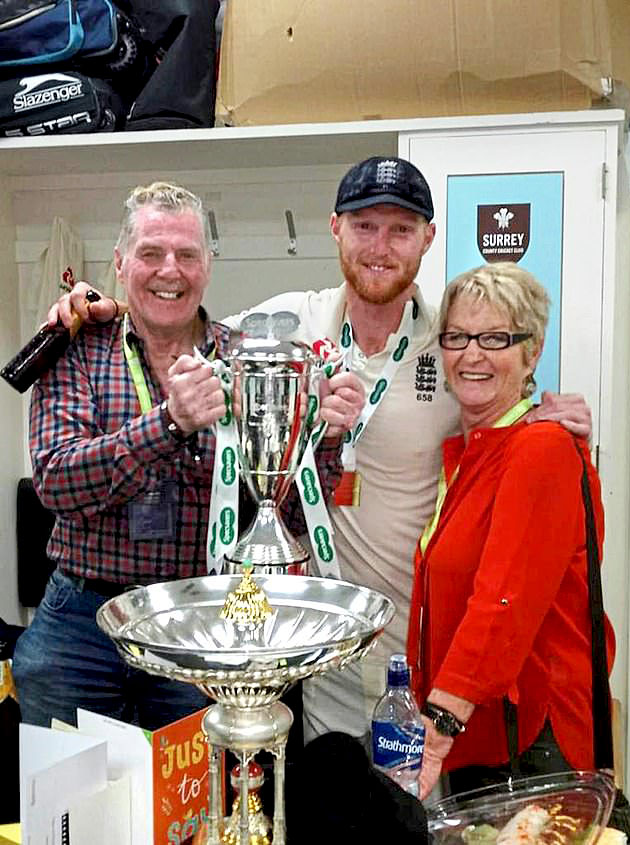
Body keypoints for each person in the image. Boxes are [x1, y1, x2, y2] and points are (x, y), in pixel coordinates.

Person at [47, 158, 592, 743]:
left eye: (401, 229)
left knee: (408, 812)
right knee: (324, 798)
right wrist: (97, 310)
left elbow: (501, 421)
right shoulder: (280, 325)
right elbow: (174, 317)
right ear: (335, 227)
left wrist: (555, 421)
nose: (380, 246)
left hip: (418, 646)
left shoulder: (451, 344)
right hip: (313, 638)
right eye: (364, 225)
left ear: (428, 238)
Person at [12, 181, 364, 731]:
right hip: (81, 627)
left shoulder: (249, 361)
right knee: (69, 808)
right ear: (121, 264)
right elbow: (57, 484)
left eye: (187, 255)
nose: (169, 271)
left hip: (204, 622)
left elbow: (285, 516)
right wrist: (169, 424)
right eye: (151, 254)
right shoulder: (73, 349)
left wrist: (325, 438)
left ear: (207, 265)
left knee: (196, 809)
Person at [406, 262, 615, 799]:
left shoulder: (539, 450)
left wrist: (439, 725)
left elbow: (504, 601)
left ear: (533, 351)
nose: (472, 354)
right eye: (457, 337)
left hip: (532, 742)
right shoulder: (473, 454)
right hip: (479, 733)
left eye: (495, 337)